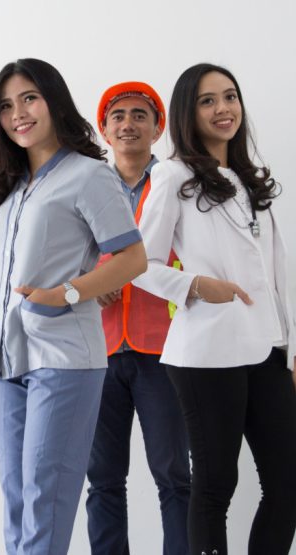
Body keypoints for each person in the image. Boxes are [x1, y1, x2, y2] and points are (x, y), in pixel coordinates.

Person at [132, 63, 296, 555]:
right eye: (208, 100)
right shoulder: (173, 175)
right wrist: (194, 285)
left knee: (289, 482)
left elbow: (278, 276)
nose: (223, 108)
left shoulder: (253, 182)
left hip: (267, 351)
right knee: (214, 487)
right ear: (189, 112)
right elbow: (138, 263)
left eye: (229, 97)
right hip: (207, 353)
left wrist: (294, 354)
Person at [0, 58, 147, 555]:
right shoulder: (10, 190)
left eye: (29, 98)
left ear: (53, 100)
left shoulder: (89, 175)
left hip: (66, 357)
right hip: (7, 359)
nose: (18, 113)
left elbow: (132, 257)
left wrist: (66, 294)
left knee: (46, 503)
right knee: (16, 504)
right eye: (6, 105)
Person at [86, 81, 191, 555]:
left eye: (139, 115)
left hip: (162, 348)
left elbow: (190, 253)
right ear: (104, 130)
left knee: (174, 475)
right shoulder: (86, 185)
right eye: (118, 116)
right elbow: (67, 253)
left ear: (157, 128)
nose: (128, 124)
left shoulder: (178, 185)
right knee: (103, 479)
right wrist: (92, 280)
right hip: (96, 350)